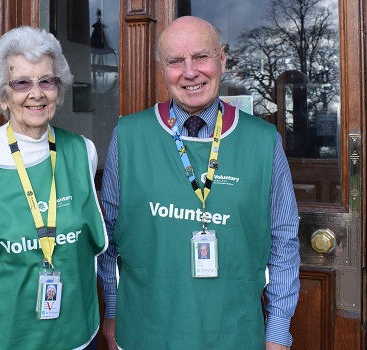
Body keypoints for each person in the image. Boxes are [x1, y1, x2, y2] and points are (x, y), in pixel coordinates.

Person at [97, 16, 300, 350]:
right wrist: (114, 310)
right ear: (161, 68)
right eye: (175, 61)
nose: (189, 72)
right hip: (146, 331)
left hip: (235, 332)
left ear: (222, 59)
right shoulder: (129, 136)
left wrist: (277, 329)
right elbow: (108, 236)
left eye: (200, 57)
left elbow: (283, 242)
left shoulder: (264, 141)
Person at [0, 26, 107, 350]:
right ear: (3, 95)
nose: (36, 93)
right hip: (6, 337)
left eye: (46, 81)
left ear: (59, 90)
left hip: (75, 333)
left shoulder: (82, 151)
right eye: (22, 83)